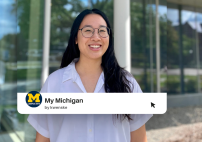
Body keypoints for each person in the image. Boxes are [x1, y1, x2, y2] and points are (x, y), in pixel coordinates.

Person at [27, 9, 153, 142]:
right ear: (75, 38)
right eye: (88, 30)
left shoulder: (127, 83)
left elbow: (139, 139)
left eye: (102, 31)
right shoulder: (54, 83)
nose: (96, 37)